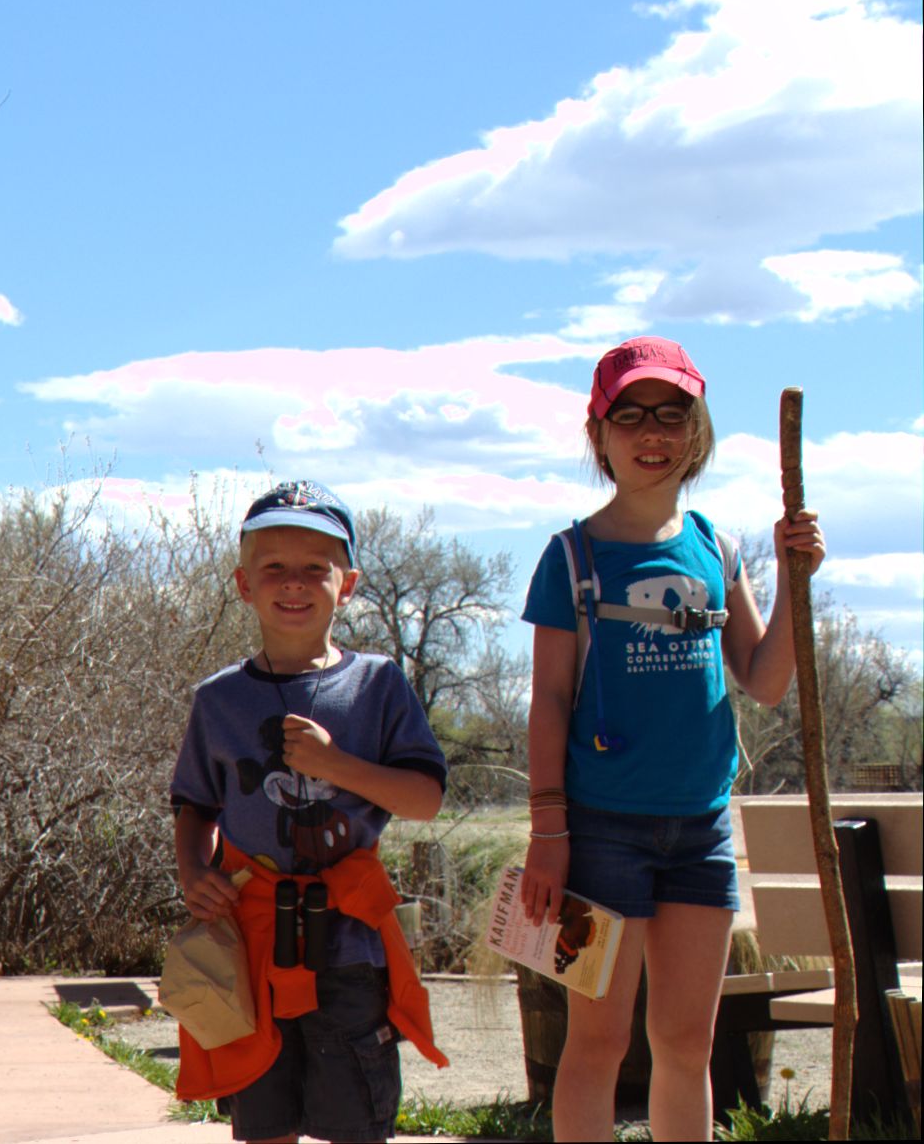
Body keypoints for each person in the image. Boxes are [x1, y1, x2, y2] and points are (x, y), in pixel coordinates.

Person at [518, 336, 825, 1142]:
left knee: (686, 1043)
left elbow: (762, 679)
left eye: (671, 414)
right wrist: (547, 832)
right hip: (596, 833)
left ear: (697, 433)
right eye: (630, 416)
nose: (651, 433)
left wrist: (797, 582)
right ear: (599, 435)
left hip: (700, 831)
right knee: (597, 1041)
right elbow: (548, 701)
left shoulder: (715, 547)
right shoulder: (570, 556)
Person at [171, 479, 451, 1144]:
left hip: (349, 947)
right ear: (243, 584)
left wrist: (337, 767)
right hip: (252, 944)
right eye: (273, 568)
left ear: (346, 584)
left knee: (355, 1121)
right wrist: (190, 870)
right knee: (263, 1119)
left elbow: (425, 800)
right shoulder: (219, 700)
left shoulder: (376, 684)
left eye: (314, 570)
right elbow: (193, 803)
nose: (292, 584)